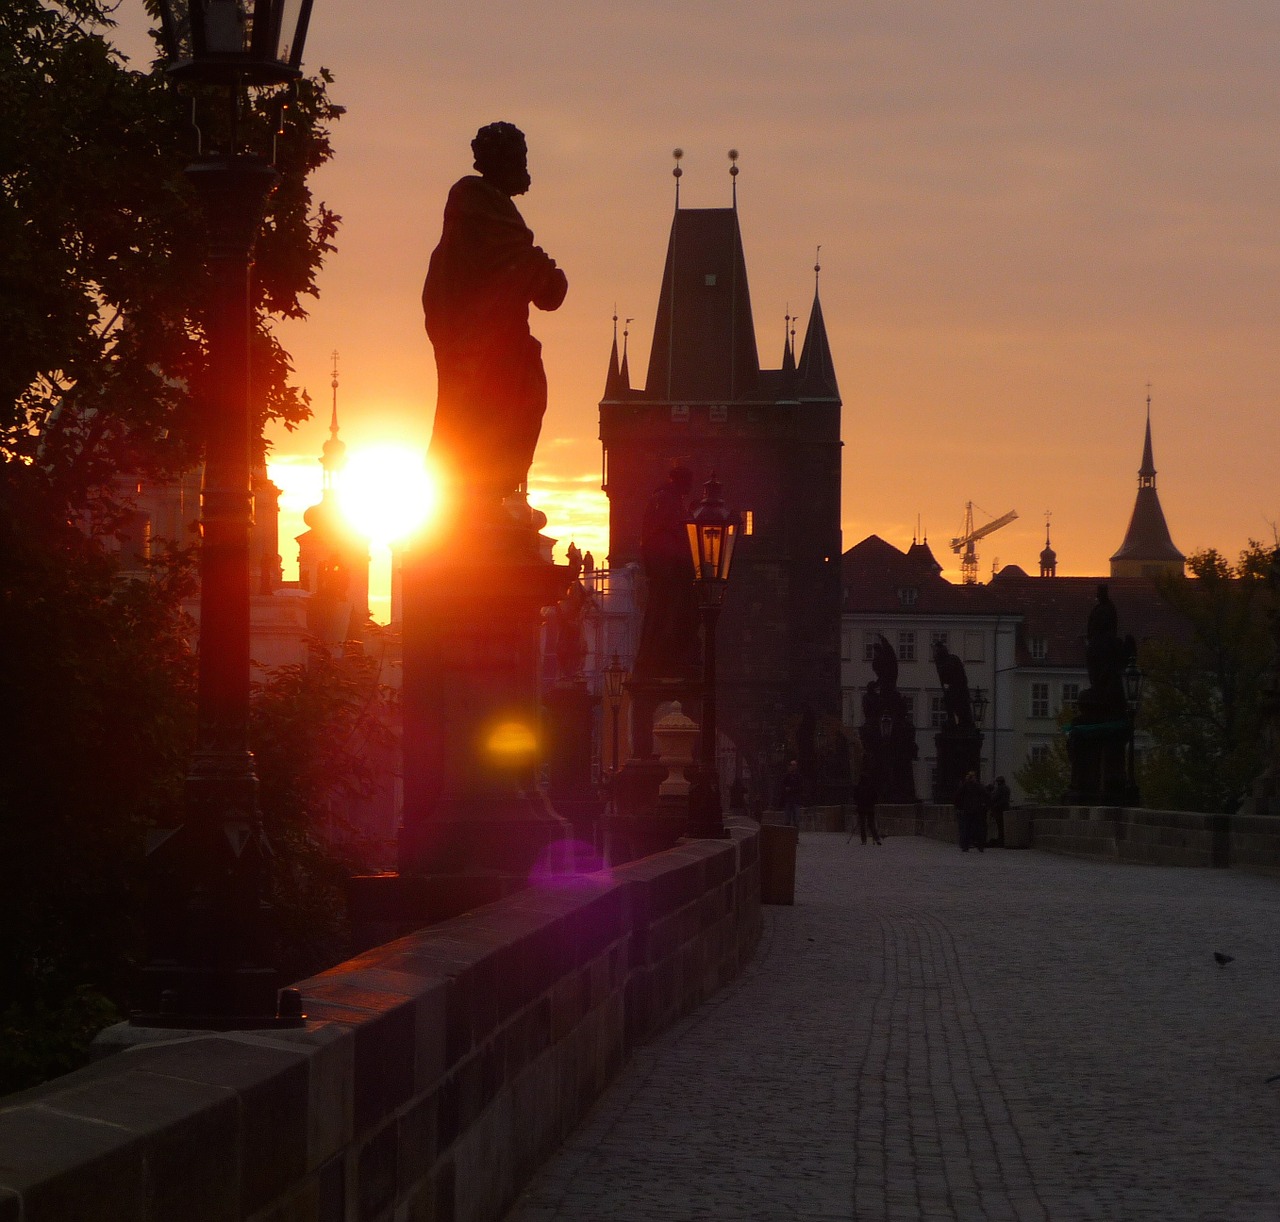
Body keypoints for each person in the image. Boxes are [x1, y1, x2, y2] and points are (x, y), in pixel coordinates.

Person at [422, 121, 568, 504]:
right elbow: (535, 280)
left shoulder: (484, 208)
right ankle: (480, 504)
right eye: (519, 159)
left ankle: (484, 500)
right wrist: (542, 270)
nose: (524, 167)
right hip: (485, 349)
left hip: (492, 346)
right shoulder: (477, 203)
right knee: (495, 417)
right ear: (502, 162)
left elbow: (516, 264)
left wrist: (535, 268)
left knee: (507, 413)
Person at [953, 770, 988, 852]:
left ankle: (965, 846)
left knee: (966, 828)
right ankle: (980, 846)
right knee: (978, 828)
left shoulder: (965, 786)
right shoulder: (978, 786)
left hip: (967, 810)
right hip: (977, 810)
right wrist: (984, 805)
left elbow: (957, 796)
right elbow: (986, 795)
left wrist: (959, 806)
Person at [852, 772, 882, 845]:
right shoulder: (871, 787)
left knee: (862, 824)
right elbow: (876, 797)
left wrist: (858, 804)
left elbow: (855, 797)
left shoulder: (858, 787)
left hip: (861, 808)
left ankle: (864, 840)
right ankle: (877, 839)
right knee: (871, 824)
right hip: (870, 808)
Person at [780, 759, 804, 829]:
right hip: (788, 800)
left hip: (796, 800)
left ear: (796, 766)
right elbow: (782, 785)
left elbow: (800, 787)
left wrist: (791, 789)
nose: (792, 767)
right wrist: (786, 789)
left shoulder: (798, 776)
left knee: (796, 818)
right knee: (787, 818)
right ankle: (788, 832)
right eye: (791, 765)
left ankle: (795, 831)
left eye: (794, 765)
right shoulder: (787, 776)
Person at [989, 775, 1012, 846]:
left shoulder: (999, 789)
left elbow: (994, 798)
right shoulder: (1007, 788)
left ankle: (1001, 841)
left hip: (998, 810)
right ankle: (1003, 840)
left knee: (1000, 826)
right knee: (1003, 826)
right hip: (1005, 809)